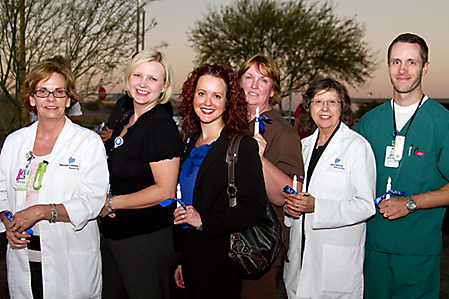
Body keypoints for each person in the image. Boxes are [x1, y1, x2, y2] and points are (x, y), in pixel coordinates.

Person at [0, 57, 108, 298]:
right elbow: (2, 193)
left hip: (69, 260)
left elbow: (93, 200)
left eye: (58, 92)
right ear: (31, 98)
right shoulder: (14, 143)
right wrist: (8, 222)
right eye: (42, 91)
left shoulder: (87, 143)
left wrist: (42, 211)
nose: (50, 99)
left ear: (68, 99)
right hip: (23, 256)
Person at [357, 33, 449, 298]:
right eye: (396, 61)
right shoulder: (370, 122)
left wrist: (411, 203)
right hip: (372, 250)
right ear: (388, 66)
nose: (403, 69)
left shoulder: (440, 122)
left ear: (425, 67)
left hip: (417, 253)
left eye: (411, 62)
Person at [173, 63, 267, 299]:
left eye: (217, 96)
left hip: (220, 264)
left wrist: (204, 220)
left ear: (228, 102)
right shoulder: (189, 142)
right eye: (202, 93)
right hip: (189, 258)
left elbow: (254, 209)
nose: (207, 102)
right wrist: (181, 260)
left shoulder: (241, 145)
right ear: (191, 96)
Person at [99, 49, 184, 299]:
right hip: (116, 236)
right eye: (138, 75)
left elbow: (165, 190)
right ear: (128, 77)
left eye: (153, 78)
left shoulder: (159, 125)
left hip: (145, 240)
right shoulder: (127, 120)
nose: (143, 84)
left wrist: (112, 203)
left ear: (164, 85)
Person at [283, 78, 376, 298]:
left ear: (342, 107)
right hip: (300, 259)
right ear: (309, 107)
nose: (324, 108)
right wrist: (291, 210)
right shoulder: (302, 147)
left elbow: (365, 206)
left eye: (332, 102)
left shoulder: (357, 147)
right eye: (318, 101)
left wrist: (317, 206)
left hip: (335, 265)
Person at [238, 54, 305, 299]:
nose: (254, 85)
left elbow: (287, 196)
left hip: (258, 243)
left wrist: (259, 159)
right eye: (249, 77)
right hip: (226, 236)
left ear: (272, 90)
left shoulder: (283, 132)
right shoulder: (230, 124)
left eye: (263, 80)